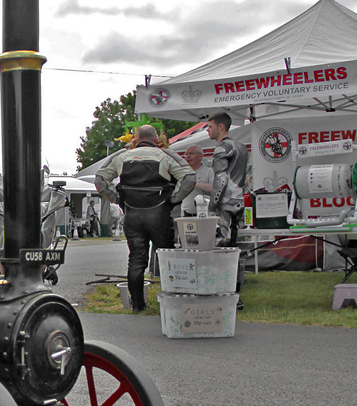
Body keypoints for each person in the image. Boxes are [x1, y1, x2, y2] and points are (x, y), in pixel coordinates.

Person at [95, 125, 195, 311]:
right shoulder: (165, 154)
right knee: (167, 258)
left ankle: (138, 305)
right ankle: (172, 302)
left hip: (132, 214)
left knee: (136, 260)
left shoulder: (122, 156)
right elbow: (189, 177)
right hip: (158, 213)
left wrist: (117, 199)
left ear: (136, 138)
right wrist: (173, 199)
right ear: (156, 138)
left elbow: (100, 179)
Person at [205, 111, 249, 306]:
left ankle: (226, 294)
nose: (207, 130)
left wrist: (213, 204)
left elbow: (221, 179)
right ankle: (234, 295)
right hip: (239, 200)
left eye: (210, 126)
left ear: (221, 127)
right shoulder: (241, 147)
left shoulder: (222, 148)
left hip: (225, 204)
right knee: (233, 249)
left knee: (221, 250)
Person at [180, 145, 215, 217]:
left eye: (191, 153)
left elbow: (214, 188)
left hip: (205, 214)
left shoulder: (209, 172)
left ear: (201, 156)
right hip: (186, 214)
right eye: (186, 154)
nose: (188, 156)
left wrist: (195, 184)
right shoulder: (182, 173)